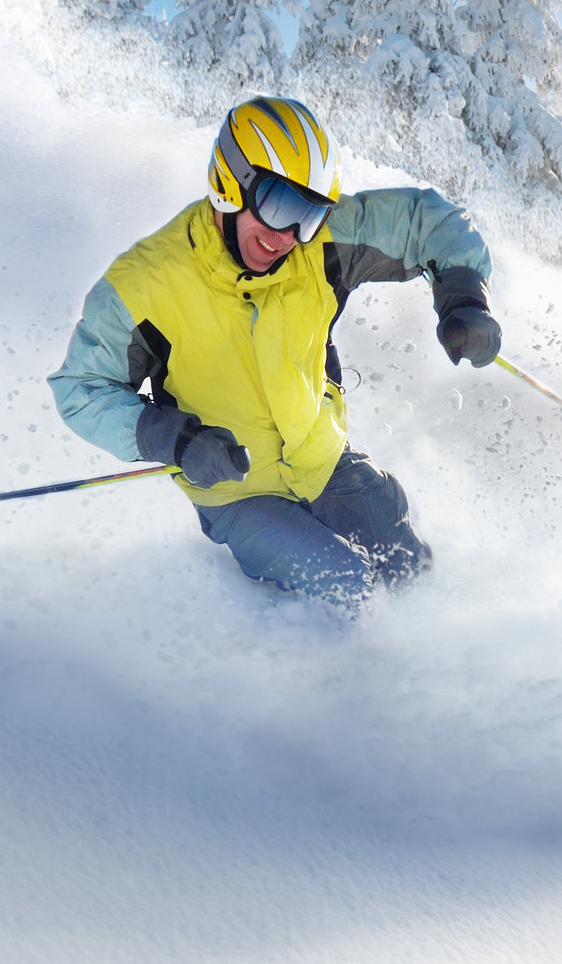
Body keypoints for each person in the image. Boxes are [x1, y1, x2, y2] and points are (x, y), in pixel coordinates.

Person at [49, 96, 502, 608]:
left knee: (412, 572)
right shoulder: (143, 285)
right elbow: (81, 390)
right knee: (349, 588)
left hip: (323, 459)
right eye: (280, 205)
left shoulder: (321, 244)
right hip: (238, 491)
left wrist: (463, 295)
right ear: (230, 181)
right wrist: (173, 439)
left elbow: (426, 219)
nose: (288, 236)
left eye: (308, 213)